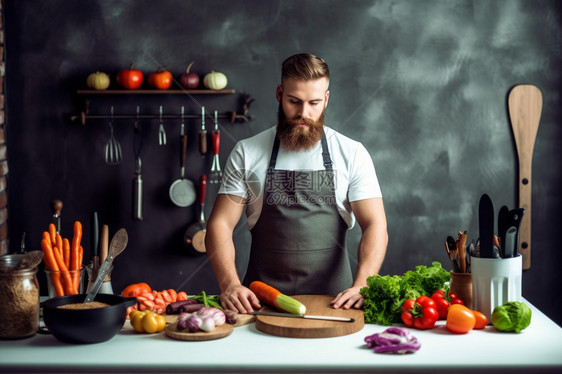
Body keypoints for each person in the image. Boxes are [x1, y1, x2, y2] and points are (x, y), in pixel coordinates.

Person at [205, 53, 388, 314]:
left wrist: (362, 285)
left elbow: (375, 224)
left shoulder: (352, 153)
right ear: (279, 94)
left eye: (314, 103)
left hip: (335, 304)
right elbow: (221, 223)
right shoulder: (247, 151)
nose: (304, 113)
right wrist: (229, 284)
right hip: (258, 304)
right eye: (294, 101)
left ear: (326, 99)